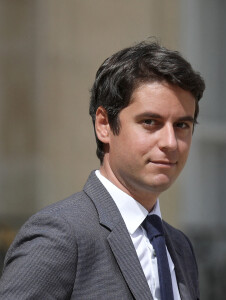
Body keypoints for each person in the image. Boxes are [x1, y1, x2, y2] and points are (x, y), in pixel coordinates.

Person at [0, 41, 205, 299]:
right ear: (104, 125)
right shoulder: (61, 235)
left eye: (182, 125)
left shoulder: (180, 246)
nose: (170, 142)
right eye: (150, 122)